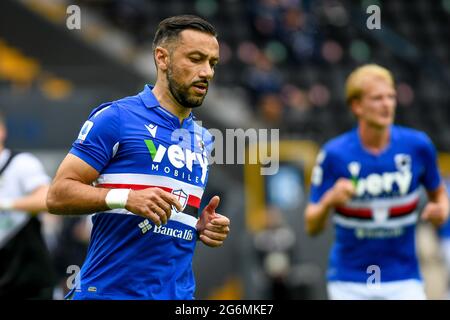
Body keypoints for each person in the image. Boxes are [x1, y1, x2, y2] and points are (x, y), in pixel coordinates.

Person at [46, 15, 230, 300]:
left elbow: (167, 217)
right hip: (110, 293)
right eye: (195, 59)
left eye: (212, 63)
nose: (206, 72)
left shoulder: (203, 139)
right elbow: (57, 195)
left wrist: (199, 227)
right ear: (162, 58)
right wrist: (126, 197)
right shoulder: (116, 118)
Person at [304, 64, 449, 300]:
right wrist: (330, 200)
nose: (387, 104)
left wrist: (441, 210)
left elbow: (439, 195)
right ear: (357, 106)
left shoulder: (418, 146)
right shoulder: (334, 153)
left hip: (404, 279)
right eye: (377, 98)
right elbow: (311, 225)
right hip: (349, 281)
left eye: (391, 96)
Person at [0, 112, 56, 299]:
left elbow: (47, 199)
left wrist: (6, 204)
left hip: (25, 276)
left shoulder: (21, 163)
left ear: (2, 131)